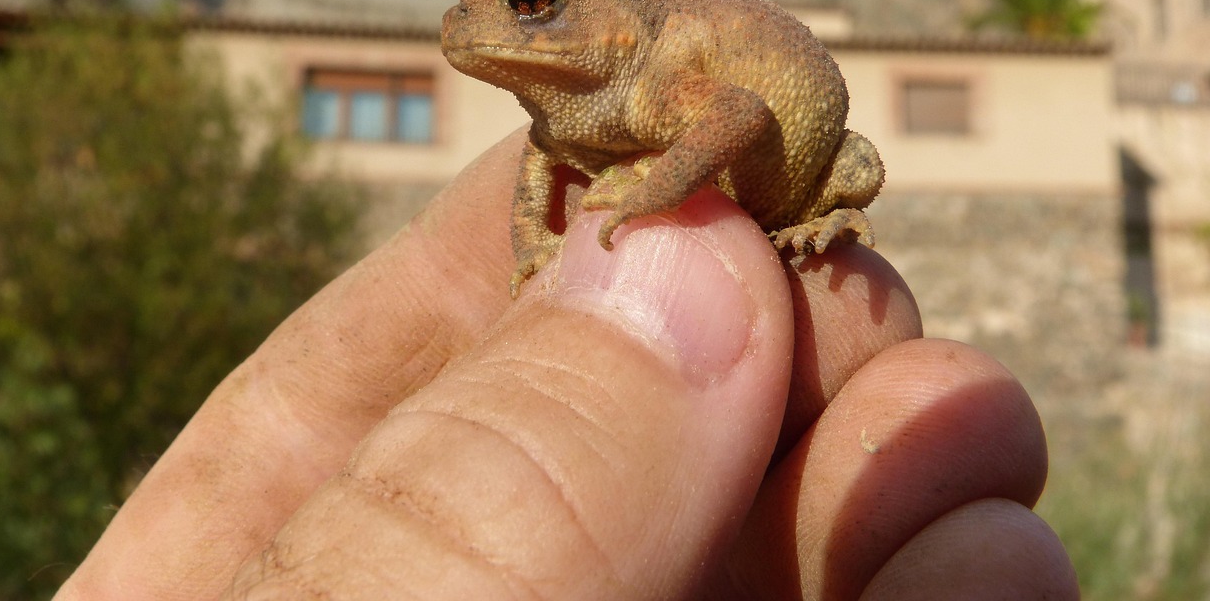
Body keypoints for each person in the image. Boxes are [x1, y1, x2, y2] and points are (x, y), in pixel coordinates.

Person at [54, 131, 1078, 600]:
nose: (493, 22)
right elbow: (540, 167)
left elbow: (729, 117)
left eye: (531, 2)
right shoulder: (564, 120)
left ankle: (822, 215)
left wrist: (656, 197)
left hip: (795, 167)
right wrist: (542, 253)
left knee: (852, 170)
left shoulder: (654, 60)